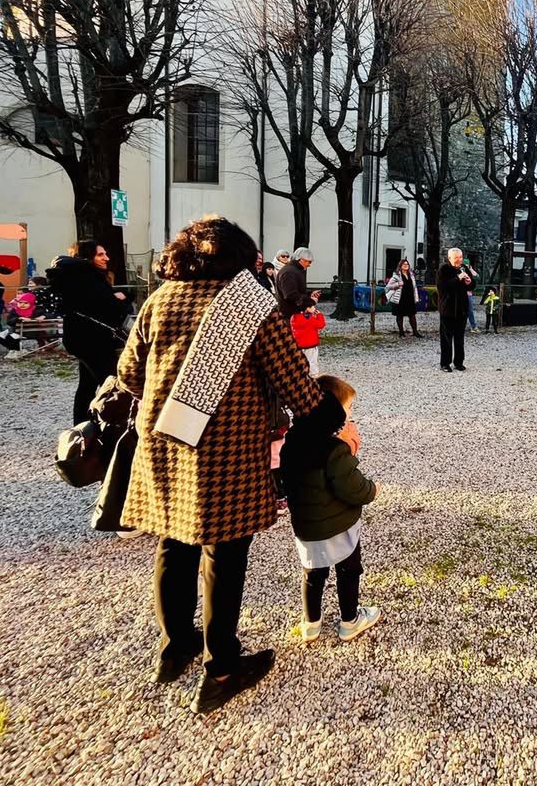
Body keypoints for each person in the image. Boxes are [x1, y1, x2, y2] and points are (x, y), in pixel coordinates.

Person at [116, 216, 337, 715]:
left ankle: (176, 646)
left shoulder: (160, 300)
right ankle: (222, 667)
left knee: (173, 544)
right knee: (225, 553)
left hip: (165, 441)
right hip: (227, 451)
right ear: (240, 257)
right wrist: (332, 417)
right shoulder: (251, 308)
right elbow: (299, 389)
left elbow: (128, 373)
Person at [278, 375, 382, 644]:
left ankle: (310, 623)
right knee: (349, 570)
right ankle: (350, 620)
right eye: (347, 410)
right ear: (331, 412)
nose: (349, 417)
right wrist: (373, 489)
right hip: (340, 526)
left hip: (307, 526)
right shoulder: (334, 450)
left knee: (313, 573)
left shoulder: (292, 443)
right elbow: (353, 487)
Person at [47, 242, 130, 424]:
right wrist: (122, 299)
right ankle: (116, 425)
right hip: (93, 340)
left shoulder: (74, 277)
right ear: (87, 257)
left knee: (87, 386)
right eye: (100, 255)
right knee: (114, 383)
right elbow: (112, 309)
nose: (106, 258)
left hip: (81, 338)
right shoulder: (88, 277)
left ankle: (81, 426)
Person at [436, 247, 474, 372]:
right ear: (450, 258)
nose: (459, 260)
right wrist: (458, 278)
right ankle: (445, 364)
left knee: (459, 338)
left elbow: (473, 285)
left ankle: (458, 362)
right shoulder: (444, 269)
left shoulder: (464, 268)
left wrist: (469, 282)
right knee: (446, 338)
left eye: (461, 257)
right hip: (448, 309)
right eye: (456, 258)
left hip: (462, 309)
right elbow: (443, 287)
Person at [275, 246, 319, 320]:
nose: (309, 265)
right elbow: (290, 295)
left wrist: (309, 294)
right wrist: (310, 301)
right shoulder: (289, 272)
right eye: (309, 261)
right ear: (301, 260)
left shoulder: (293, 270)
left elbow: (295, 291)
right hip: (289, 315)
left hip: (292, 314)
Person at [385, 259, 420, 338]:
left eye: (407, 264)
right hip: (400, 299)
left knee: (412, 316)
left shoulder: (411, 275)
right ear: (400, 266)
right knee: (400, 316)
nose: (406, 265)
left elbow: (415, 288)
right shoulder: (396, 275)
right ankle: (401, 332)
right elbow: (388, 286)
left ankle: (415, 332)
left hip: (410, 299)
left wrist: (416, 298)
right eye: (404, 264)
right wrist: (398, 284)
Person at [290, 303, 326, 376]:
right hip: (311, 345)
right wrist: (319, 315)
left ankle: (300, 374)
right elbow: (321, 324)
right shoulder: (310, 320)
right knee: (312, 361)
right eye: (313, 306)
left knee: (300, 360)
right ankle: (314, 375)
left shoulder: (294, 317)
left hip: (299, 344)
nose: (314, 308)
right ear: (307, 308)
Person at [465, 261, 480, 332]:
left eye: (467, 265)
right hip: (461, 294)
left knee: (470, 310)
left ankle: (473, 326)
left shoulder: (470, 272)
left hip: (468, 294)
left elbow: (477, 277)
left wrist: (471, 270)